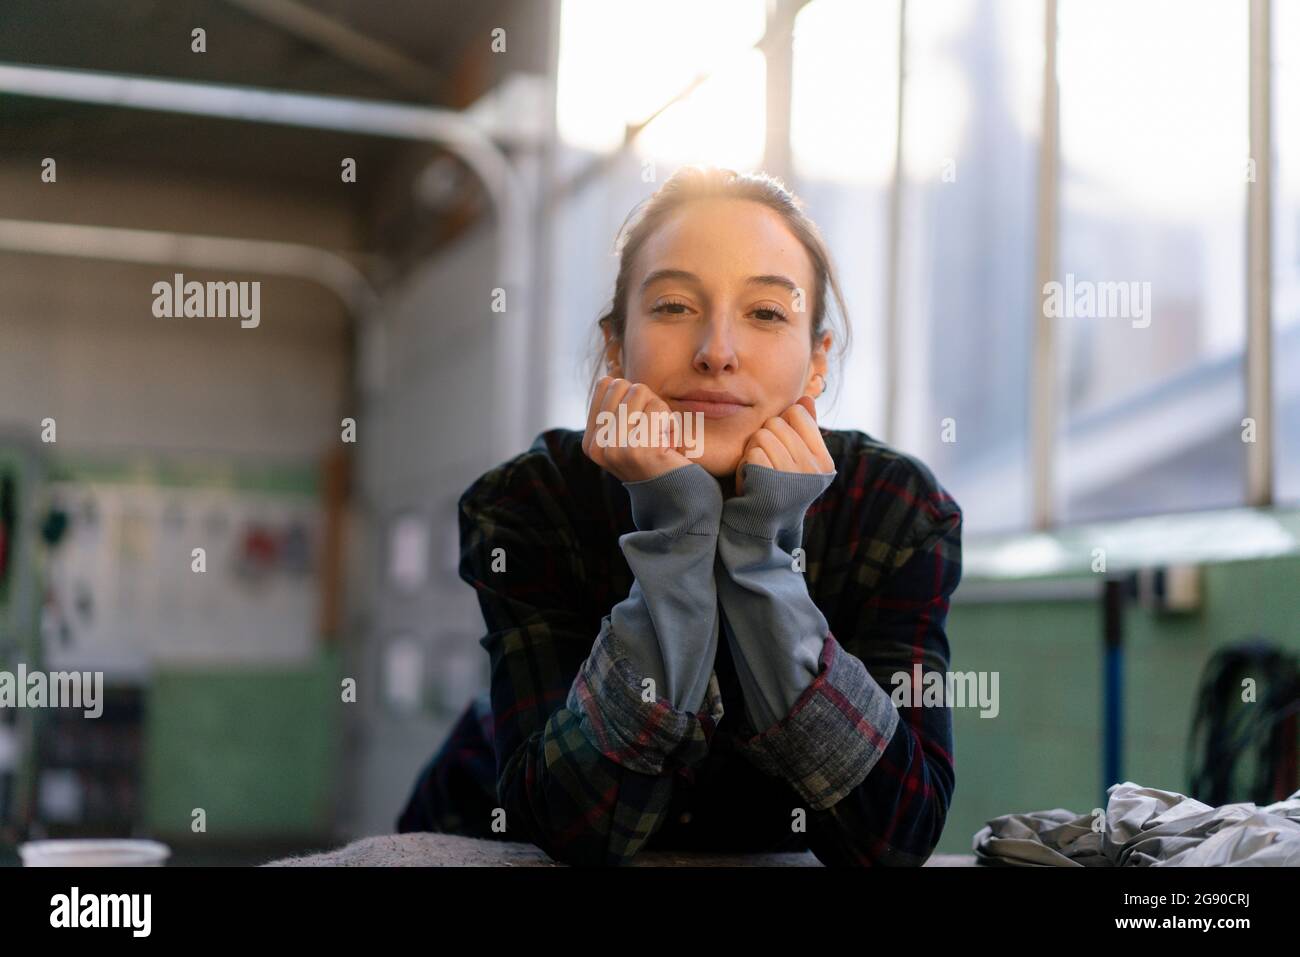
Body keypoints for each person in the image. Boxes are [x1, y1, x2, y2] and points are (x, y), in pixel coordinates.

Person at [397, 166, 963, 867]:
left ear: (817, 362)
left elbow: (892, 836)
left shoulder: (894, 510)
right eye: (672, 306)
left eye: (765, 312)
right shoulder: (529, 501)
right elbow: (578, 831)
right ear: (615, 344)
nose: (716, 353)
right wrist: (676, 540)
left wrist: (760, 563)